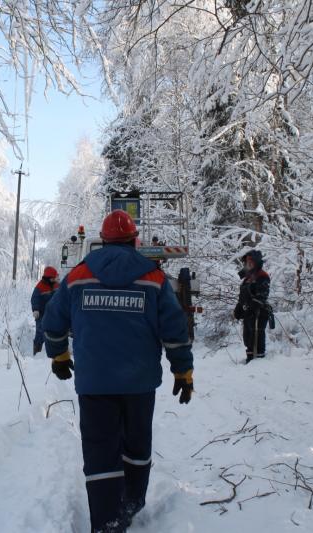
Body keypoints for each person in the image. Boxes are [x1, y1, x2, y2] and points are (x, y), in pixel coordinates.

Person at [42, 210, 193, 533]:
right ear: (134, 239)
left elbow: (52, 322)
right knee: (136, 446)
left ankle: (106, 521)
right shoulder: (153, 278)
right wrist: (183, 371)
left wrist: (59, 355)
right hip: (139, 385)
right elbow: (174, 329)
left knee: (99, 450)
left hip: (94, 383)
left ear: (105, 239)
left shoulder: (78, 276)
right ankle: (131, 503)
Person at [233, 249, 271, 364]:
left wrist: (254, 306)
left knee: (257, 335)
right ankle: (249, 359)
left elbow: (262, 295)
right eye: (247, 262)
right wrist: (239, 308)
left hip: (259, 312)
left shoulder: (262, 276)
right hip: (248, 312)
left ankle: (259, 361)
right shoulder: (247, 278)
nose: (248, 264)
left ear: (256, 262)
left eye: (251, 262)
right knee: (248, 337)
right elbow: (243, 296)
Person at [31, 266, 59, 354]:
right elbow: (34, 298)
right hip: (41, 314)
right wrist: (36, 309)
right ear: (48, 278)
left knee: (54, 332)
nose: (55, 279)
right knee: (40, 332)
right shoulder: (39, 287)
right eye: (53, 278)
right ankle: (37, 349)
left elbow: (63, 295)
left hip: (54, 313)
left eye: (55, 278)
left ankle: (53, 351)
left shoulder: (57, 285)